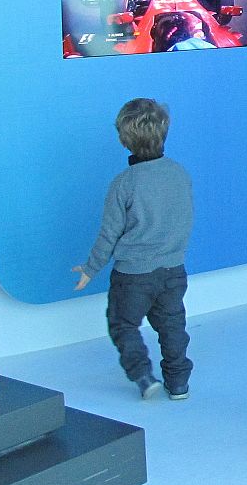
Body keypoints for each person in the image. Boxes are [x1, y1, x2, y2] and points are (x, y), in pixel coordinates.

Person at [72, 98, 194, 401]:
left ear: (124, 139)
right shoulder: (179, 173)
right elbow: (185, 218)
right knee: (172, 325)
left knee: (123, 323)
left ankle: (142, 374)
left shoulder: (123, 183)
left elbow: (109, 234)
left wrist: (90, 268)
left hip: (133, 276)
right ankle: (178, 382)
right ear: (164, 131)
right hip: (173, 271)